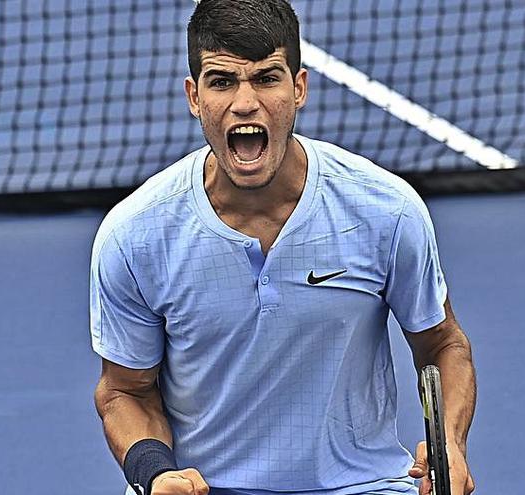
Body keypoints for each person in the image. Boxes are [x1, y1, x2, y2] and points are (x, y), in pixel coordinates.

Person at [90, 1, 477, 494]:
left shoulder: (386, 210)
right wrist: (155, 474)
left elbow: (442, 344)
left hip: (361, 487)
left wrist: (450, 444)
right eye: (222, 81)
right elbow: (125, 391)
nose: (245, 102)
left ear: (299, 88)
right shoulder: (135, 234)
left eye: (267, 78)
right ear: (194, 96)